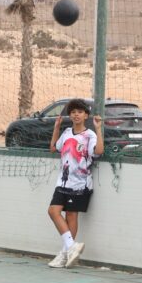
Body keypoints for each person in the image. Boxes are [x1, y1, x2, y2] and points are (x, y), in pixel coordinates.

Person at [46, 98, 103, 268]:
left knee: (71, 215)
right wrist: (56, 128)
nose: (76, 115)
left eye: (80, 112)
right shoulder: (66, 133)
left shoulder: (89, 135)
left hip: (80, 183)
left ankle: (64, 254)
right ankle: (71, 246)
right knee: (53, 211)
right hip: (63, 182)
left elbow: (99, 151)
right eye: (73, 112)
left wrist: (98, 129)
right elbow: (53, 148)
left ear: (86, 115)